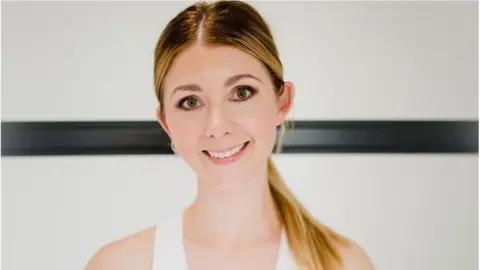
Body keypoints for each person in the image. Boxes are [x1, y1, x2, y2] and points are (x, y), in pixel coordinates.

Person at [85, 1, 375, 269]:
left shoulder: (344, 264)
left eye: (241, 92)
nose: (217, 126)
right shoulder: (118, 265)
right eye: (190, 102)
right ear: (166, 122)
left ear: (282, 102)